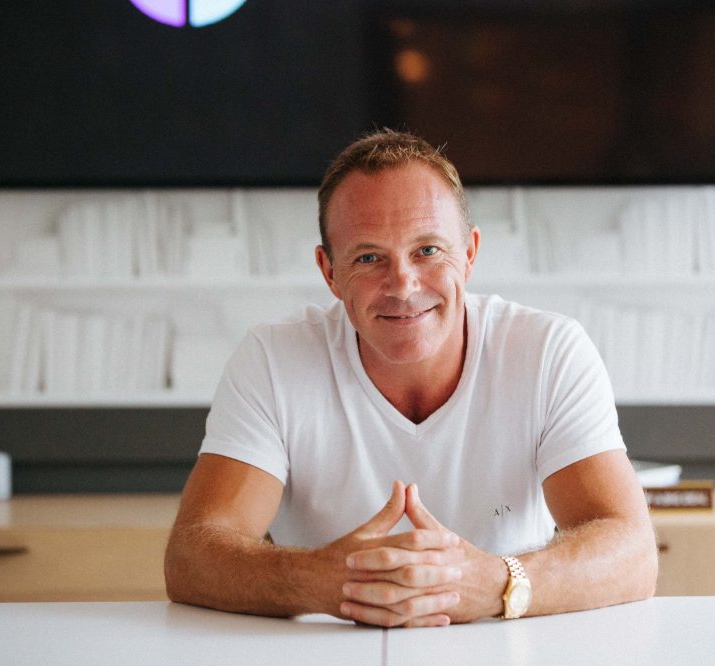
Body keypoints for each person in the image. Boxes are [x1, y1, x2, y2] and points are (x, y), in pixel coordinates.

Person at [165, 129, 657, 627]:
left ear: (469, 254)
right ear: (329, 271)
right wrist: (320, 579)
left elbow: (634, 554)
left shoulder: (549, 352)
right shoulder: (273, 359)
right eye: (369, 257)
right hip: (321, 658)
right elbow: (192, 556)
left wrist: (494, 582)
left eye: (427, 250)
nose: (403, 285)